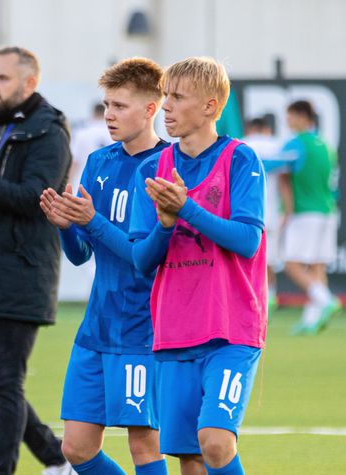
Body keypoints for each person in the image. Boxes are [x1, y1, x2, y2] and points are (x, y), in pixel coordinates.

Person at [129, 57, 267, 475]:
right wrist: (167, 224)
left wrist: (185, 208)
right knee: (190, 457)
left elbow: (247, 240)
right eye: (164, 96)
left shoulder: (240, 160)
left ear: (210, 106)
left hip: (232, 329)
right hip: (174, 330)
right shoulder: (151, 169)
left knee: (216, 443)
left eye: (176, 97)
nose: (165, 106)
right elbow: (142, 260)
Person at [40, 58, 168, 475]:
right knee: (76, 447)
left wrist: (90, 219)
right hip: (97, 326)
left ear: (150, 109)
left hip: (143, 326)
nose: (109, 115)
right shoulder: (99, 163)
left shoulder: (166, 168)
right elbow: (81, 254)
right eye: (107, 105)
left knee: (144, 445)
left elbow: (141, 256)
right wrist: (64, 227)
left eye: (120, 106)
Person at [0, 46, 72, 475]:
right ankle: (56, 457)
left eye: (2, 79)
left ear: (29, 83)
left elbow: (35, 198)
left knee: (6, 383)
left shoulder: (50, 130)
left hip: (23, 269)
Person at [279, 100, 341, 334]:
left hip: (304, 212)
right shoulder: (326, 145)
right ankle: (312, 319)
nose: (288, 121)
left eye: (290, 116)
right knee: (317, 266)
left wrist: (286, 210)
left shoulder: (296, 144)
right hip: (328, 211)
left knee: (291, 264)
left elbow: (279, 171)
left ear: (303, 117)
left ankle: (326, 300)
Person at [241, 117, 283, 314]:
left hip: (246, 213)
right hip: (271, 211)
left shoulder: (242, 144)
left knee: (247, 260)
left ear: (251, 128)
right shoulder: (277, 146)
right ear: (266, 129)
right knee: (270, 260)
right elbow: (285, 181)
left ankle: (254, 299)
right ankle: (270, 297)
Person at [69, 102, 114, 189]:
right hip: (108, 185)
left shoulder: (81, 133)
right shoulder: (114, 134)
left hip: (83, 183)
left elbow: (74, 162)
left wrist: (68, 184)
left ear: (93, 113)